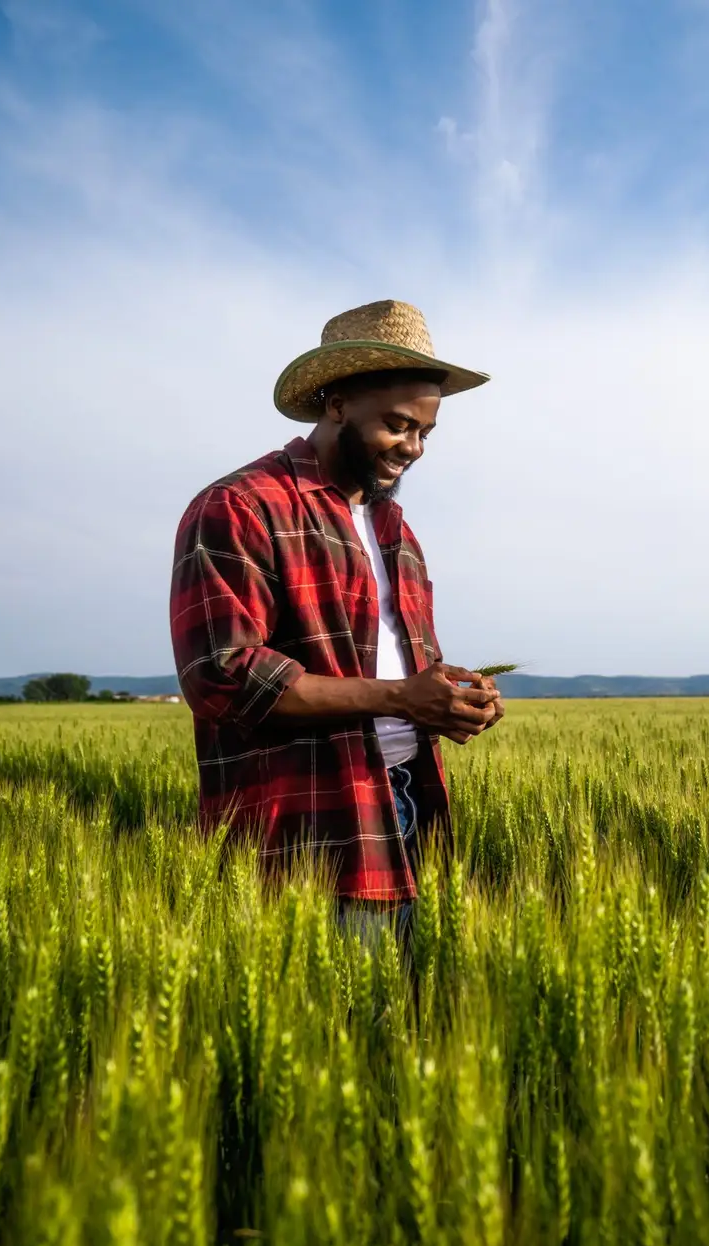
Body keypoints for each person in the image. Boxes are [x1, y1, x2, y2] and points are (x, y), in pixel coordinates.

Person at [169, 299, 503, 942]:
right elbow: (223, 677)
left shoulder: (393, 529)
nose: (414, 449)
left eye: (425, 433)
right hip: (307, 835)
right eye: (398, 425)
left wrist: (452, 695)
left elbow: (396, 668)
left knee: (403, 1033)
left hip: (406, 813)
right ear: (336, 402)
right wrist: (404, 696)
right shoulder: (237, 507)